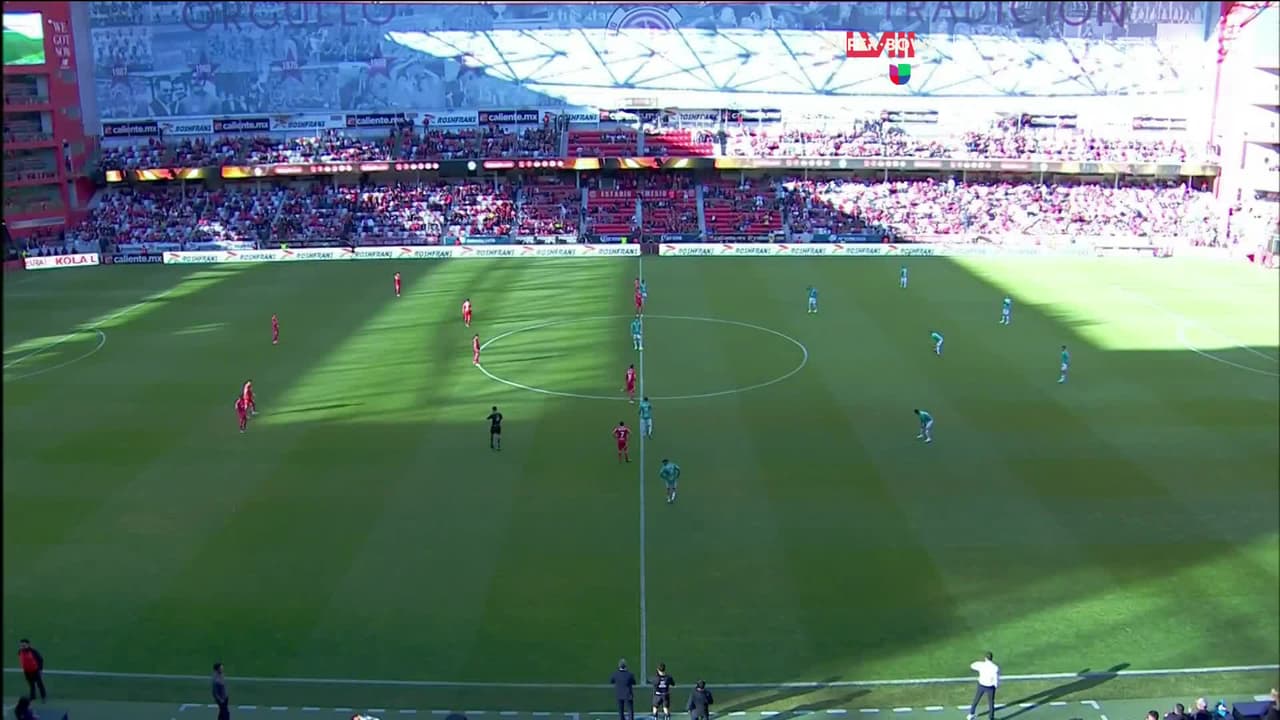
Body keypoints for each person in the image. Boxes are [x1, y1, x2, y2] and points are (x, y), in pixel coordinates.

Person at [965, 652, 999, 720]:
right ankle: (991, 718)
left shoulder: (981, 665)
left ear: (985, 658)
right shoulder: (995, 667)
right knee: (991, 702)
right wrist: (996, 686)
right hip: (990, 687)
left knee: (976, 699)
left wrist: (980, 663)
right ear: (992, 658)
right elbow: (996, 678)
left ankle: (971, 714)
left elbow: (972, 665)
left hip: (981, 685)